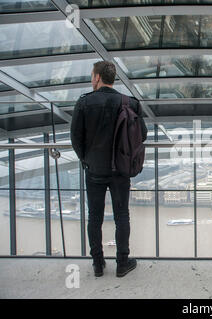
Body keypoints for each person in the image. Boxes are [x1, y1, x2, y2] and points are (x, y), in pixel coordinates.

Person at [70, 61, 148, 278]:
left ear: (97, 78)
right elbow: (142, 134)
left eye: (92, 76)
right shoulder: (130, 103)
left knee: (94, 217)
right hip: (121, 169)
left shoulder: (84, 103)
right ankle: (122, 262)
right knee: (122, 216)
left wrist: (86, 159)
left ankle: (97, 263)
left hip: (94, 169)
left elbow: (75, 137)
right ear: (113, 78)